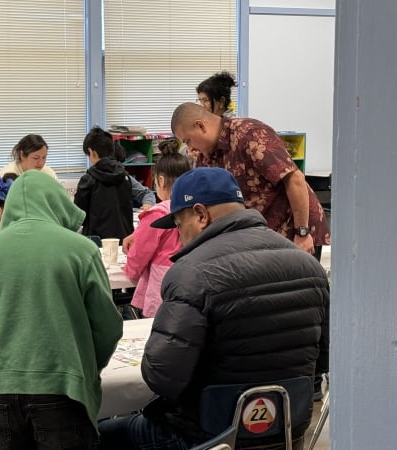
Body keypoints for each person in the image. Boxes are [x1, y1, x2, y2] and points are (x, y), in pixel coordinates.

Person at [98, 167, 330, 450]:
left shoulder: (192, 272)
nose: (180, 237)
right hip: (285, 432)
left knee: (98, 434)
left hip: (205, 436)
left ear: (200, 214)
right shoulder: (309, 266)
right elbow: (325, 360)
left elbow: (162, 377)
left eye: (179, 225)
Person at [0, 170, 123, 449]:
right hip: (62, 388)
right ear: (58, 202)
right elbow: (107, 327)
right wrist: (83, 364)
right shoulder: (81, 250)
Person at [171, 102, 330, 258]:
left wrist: (302, 232)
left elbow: (294, 179)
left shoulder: (250, 134)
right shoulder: (205, 158)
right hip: (261, 235)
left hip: (295, 228)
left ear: (200, 126)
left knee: (297, 281)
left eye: (187, 141)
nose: (190, 149)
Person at [123, 138, 191, 317]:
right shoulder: (194, 210)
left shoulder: (157, 213)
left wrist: (130, 271)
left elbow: (140, 253)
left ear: (160, 180)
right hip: (190, 278)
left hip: (163, 283)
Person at [74, 126, 134, 241]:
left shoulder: (88, 180)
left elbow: (79, 215)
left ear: (92, 152)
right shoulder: (125, 176)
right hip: (124, 240)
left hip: (96, 241)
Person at [114, 140, 156, 210]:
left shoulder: (124, 178)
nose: (120, 168)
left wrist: (148, 203)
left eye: (120, 164)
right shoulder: (93, 179)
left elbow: (146, 193)